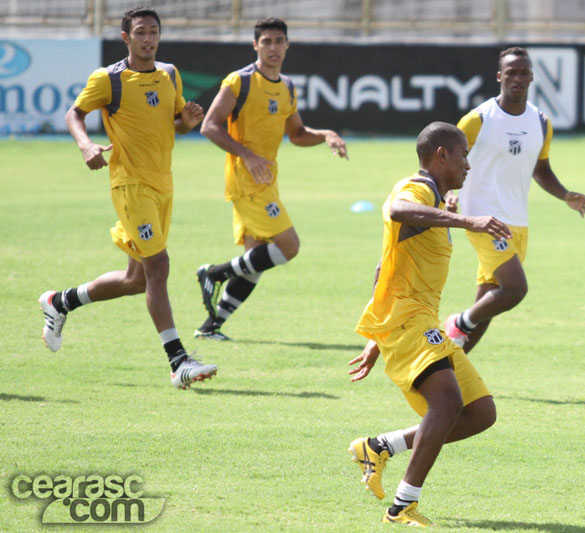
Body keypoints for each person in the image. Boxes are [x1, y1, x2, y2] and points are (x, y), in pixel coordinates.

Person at [40, 6, 217, 389]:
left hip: (163, 185)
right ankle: (178, 362)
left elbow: (173, 124)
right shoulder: (109, 79)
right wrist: (86, 145)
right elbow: (74, 114)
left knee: (137, 280)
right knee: (159, 266)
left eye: (153, 32)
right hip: (130, 185)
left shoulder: (169, 74)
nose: (148, 39)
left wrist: (186, 123)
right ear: (126, 37)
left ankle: (60, 302)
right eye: (140, 32)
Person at [347, 122, 511, 526]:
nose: (468, 165)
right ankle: (403, 505)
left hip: (412, 319)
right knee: (448, 403)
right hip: (408, 317)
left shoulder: (435, 202)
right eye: (463, 155)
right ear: (442, 155)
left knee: (480, 412)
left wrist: (376, 337)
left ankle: (379, 446)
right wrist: (468, 221)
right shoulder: (416, 189)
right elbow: (397, 210)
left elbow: (385, 265)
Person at [194, 17, 348, 341]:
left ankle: (210, 327)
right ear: (255, 45)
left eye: (279, 41)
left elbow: (298, 134)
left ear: (287, 45)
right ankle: (214, 273)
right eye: (266, 41)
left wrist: (326, 134)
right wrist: (247, 155)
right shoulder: (239, 82)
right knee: (289, 246)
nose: (273, 47)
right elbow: (209, 125)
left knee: (256, 261)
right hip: (245, 180)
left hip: (266, 180)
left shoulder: (287, 86)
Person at [444, 47, 585, 353]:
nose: (517, 78)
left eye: (524, 73)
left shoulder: (541, 122)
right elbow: (445, 158)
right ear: (499, 76)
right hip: (483, 218)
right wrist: (447, 192)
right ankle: (459, 322)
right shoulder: (478, 119)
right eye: (511, 72)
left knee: (491, 299)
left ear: (532, 77)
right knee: (514, 289)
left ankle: (449, 367)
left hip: (518, 222)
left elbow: (541, 169)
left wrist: (565, 195)